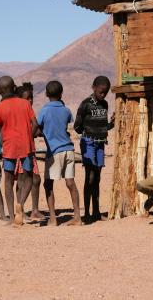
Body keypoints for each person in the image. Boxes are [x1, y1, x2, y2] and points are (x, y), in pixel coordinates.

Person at [0, 76, 38, 226]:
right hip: (26, 147)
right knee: (28, 178)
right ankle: (21, 203)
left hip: (9, 148)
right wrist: (29, 137)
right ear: (14, 88)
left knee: (8, 181)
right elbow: (35, 124)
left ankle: (13, 218)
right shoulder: (25, 104)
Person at [38, 81, 82, 226]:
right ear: (61, 94)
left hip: (54, 151)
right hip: (69, 150)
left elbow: (38, 127)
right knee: (70, 183)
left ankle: (52, 218)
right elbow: (67, 123)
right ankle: (77, 217)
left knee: (48, 184)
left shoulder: (44, 111)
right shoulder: (66, 110)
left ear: (46, 94)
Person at [74, 76, 115, 222]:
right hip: (89, 143)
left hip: (100, 144)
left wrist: (112, 124)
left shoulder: (105, 104)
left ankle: (96, 212)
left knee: (97, 177)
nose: (103, 95)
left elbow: (103, 126)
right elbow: (77, 126)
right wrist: (88, 133)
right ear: (94, 88)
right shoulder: (85, 104)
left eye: (105, 93)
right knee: (89, 177)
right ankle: (86, 213)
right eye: (101, 92)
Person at [14, 83, 45, 220]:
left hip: (30, 151)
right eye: (27, 98)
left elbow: (36, 129)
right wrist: (32, 133)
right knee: (22, 180)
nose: (30, 101)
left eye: (31, 97)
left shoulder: (30, 113)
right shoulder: (20, 113)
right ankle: (20, 209)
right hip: (21, 151)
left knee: (36, 179)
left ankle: (35, 209)